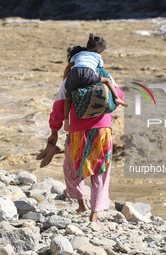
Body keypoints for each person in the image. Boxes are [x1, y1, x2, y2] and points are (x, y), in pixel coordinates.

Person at [40, 47, 124, 225]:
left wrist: (54, 131)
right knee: (101, 170)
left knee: (73, 167)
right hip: (102, 130)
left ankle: (81, 203)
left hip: (77, 131)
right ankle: (94, 215)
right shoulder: (103, 73)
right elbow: (119, 96)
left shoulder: (70, 78)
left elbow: (58, 106)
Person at [63, 34, 126, 131]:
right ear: (101, 51)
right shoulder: (97, 56)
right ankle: (117, 98)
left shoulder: (78, 54)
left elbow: (69, 67)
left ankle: (66, 120)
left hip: (73, 75)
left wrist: (65, 80)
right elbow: (100, 70)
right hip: (87, 73)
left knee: (68, 99)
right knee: (107, 81)